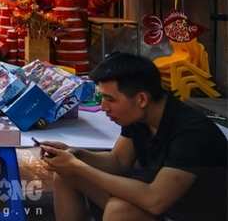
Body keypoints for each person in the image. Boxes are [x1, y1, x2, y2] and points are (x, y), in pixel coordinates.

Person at [42, 52, 227, 221]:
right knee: (66, 175)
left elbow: (155, 200)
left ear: (142, 99)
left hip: (190, 214)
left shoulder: (192, 133)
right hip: (165, 207)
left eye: (110, 99)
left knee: (120, 211)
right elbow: (117, 161)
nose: (104, 107)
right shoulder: (140, 116)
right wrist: (76, 155)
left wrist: (78, 167)